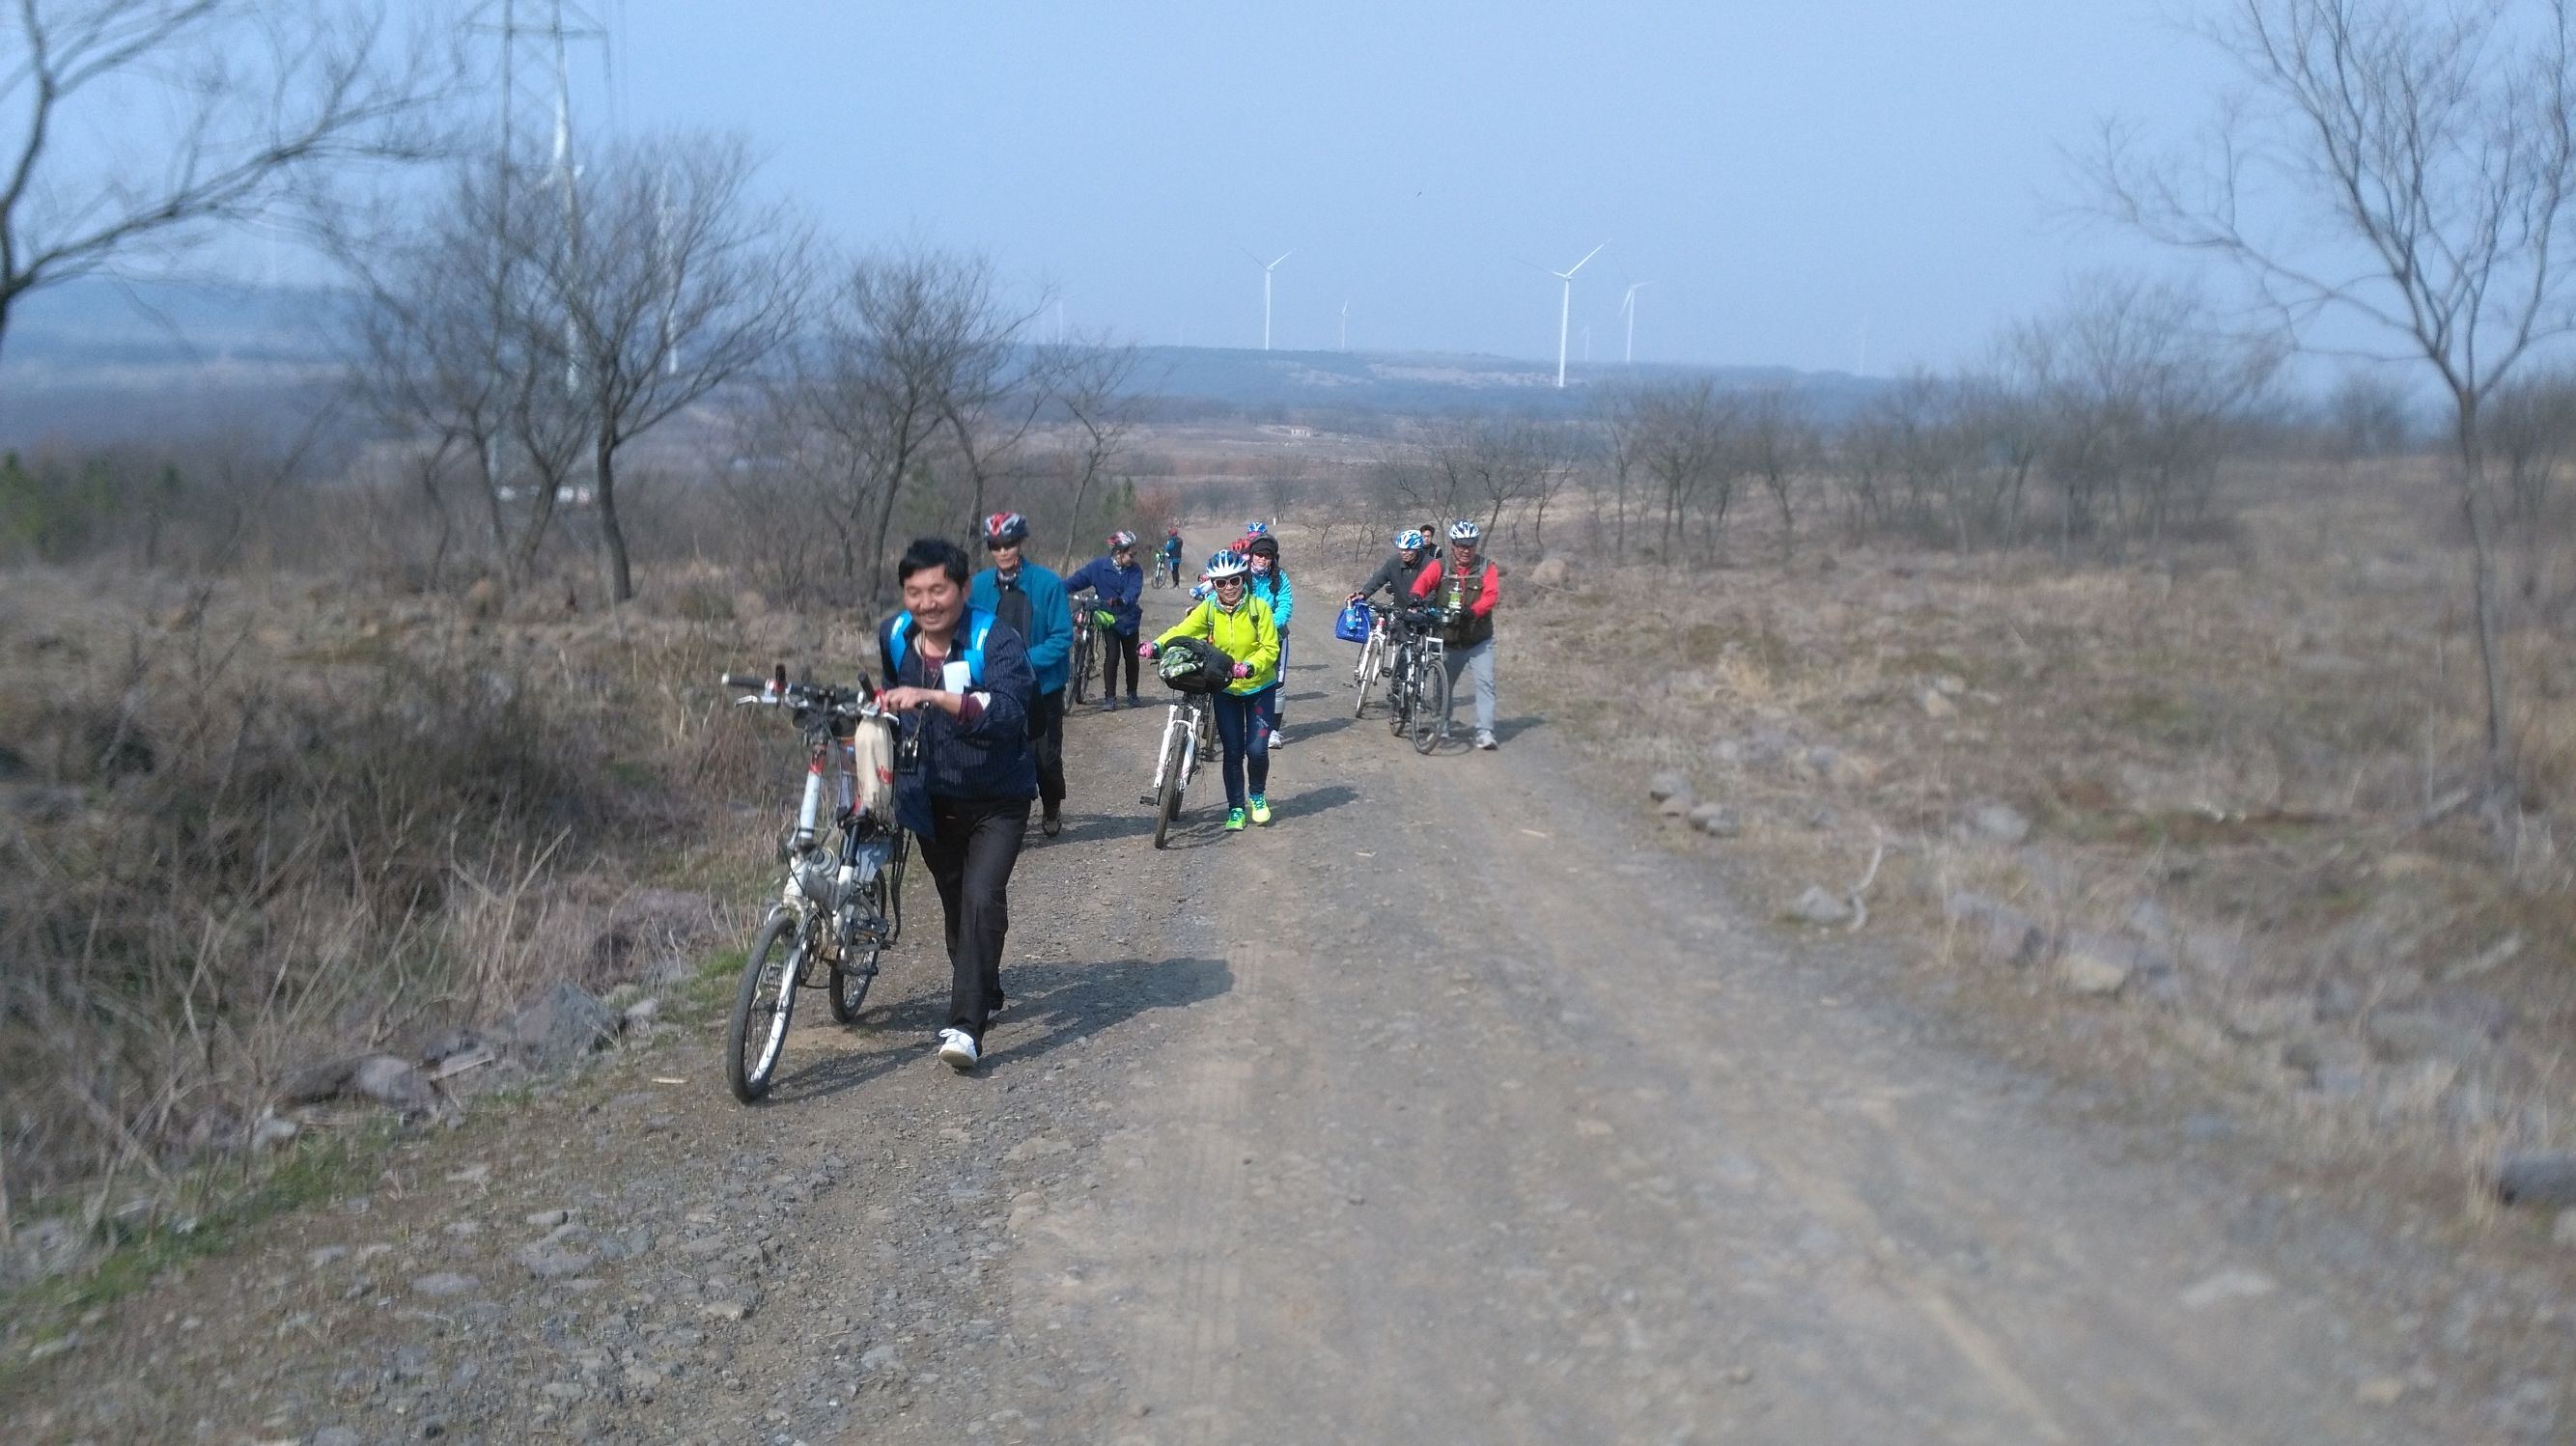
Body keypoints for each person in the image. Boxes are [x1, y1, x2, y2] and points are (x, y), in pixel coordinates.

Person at [877, 537, 1039, 1072]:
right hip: (932, 797)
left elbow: (1013, 711)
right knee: (955, 905)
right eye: (915, 592)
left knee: (980, 898)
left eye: (938, 590)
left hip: (998, 800)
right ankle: (983, 983)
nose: (927, 603)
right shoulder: (895, 635)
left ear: (964, 589)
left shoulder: (996, 640)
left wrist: (939, 699)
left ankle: (965, 1026)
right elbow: (890, 696)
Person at [1144, 550, 1280, 831]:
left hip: (1259, 687)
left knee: (1256, 750)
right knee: (1232, 752)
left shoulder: (1259, 608)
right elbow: (1182, 630)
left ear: (1243, 580)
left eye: (1234, 581)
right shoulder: (1208, 609)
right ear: (1214, 585)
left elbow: (1271, 648)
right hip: (1225, 688)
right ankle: (1235, 809)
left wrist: (1251, 666)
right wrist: (1157, 646)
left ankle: (1257, 796)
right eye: (1221, 583)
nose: (1228, 588)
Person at [969, 512, 1074, 836]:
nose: (1003, 552)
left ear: (1020, 544)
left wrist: (1022, 661)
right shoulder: (977, 586)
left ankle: (1052, 802)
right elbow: (969, 631)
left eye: (1009, 545)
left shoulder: (1047, 584)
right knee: (1001, 757)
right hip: (996, 688)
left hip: (1042, 688)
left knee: (1045, 759)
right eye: (995, 546)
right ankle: (1007, 819)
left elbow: (1062, 637)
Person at [1410, 518, 1501, 750]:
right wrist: (1416, 598)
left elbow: (1491, 595)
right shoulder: (1440, 566)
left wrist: (1474, 611)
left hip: (1478, 639)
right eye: (1461, 544)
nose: (1465, 549)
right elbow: (1423, 583)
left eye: (1470, 544)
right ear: (1453, 545)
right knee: (1444, 685)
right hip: (1449, 639)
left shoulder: (1486, 567)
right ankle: (1443, 725)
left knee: (1485, 684)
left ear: (1476, 545)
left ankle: (1485, 733)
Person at [1064, 530, 1145, 710]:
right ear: (1118, 552)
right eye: (1130, 554)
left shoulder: (1136, 571)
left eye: (1134, 554)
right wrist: (1059, 589)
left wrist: (1123, 599)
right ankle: (1110, 697)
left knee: (1131, 657)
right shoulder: (1098, 567)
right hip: (1108, 620)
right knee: (1112, 656)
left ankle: (1132, 693)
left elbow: (1134, 590)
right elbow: (1077, 581)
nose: (1133, 557)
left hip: (1129, 619)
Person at [1244, 534, 1295, 746]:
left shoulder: (1280, 577)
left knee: (1277, 683)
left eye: (1267, 556)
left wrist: (1266, 625)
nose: (1262, 560)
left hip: (1276, 635)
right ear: (1251, 555)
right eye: (1259, 555)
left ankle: (1273, 730)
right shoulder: (1242, 574)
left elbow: (1285, 605)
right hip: (1244, 634)